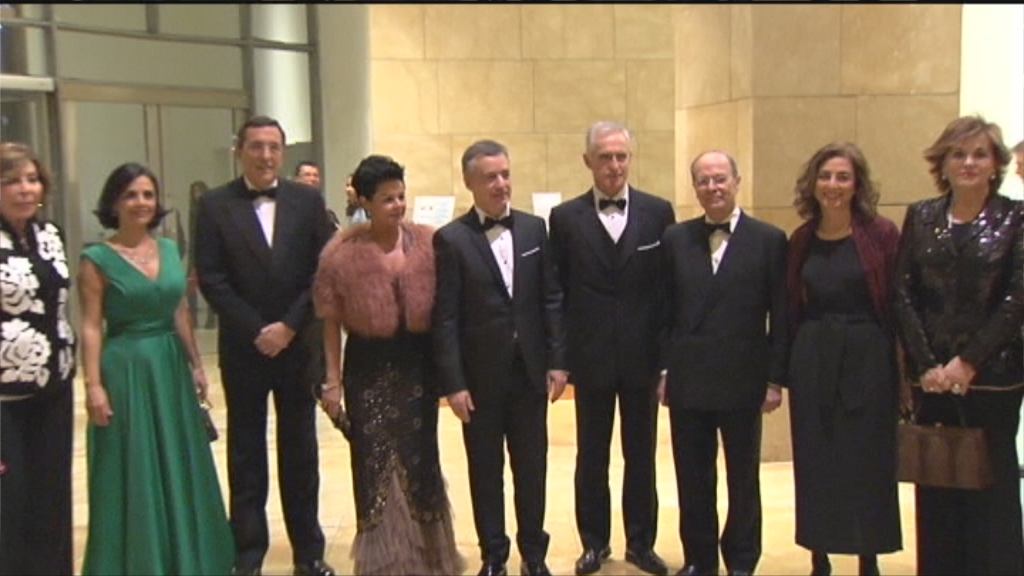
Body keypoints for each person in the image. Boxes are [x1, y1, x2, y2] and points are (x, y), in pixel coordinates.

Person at [194, 116, 337, 576]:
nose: (266, 155)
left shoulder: (307, 201)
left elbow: (322, 270)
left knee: (301, 454)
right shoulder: (213, 205)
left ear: (283, 152)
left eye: (274, 147)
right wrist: (258, 329)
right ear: (239, 151)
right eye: (256, 146)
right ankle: (247, 556)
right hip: (245, 349)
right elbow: (211, 278)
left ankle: (308, 553)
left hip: (296, 349)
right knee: (246, 455)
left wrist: (289, 327)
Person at [77, 162, 234, 574]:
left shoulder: (166, 249)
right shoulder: (96, 259)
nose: (141, 202)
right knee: (135, 464)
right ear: (114, 202)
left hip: (169, 366)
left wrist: (195, 365)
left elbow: (179, 309)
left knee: (178, 460)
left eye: (148, 194)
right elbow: (90, 325)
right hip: (126, 368)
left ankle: (185, 555)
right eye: (130, 194)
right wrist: (93, 385)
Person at [312, 154, 464, 575]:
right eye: (386, 199)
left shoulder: (428, 243)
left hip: (418, 369)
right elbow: (329, 322)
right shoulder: (341, 254)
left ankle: (428, 556)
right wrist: (332, 381)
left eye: (400, 196)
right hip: (368, 370)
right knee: (374, 462)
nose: (397, 206)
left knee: (420, 459)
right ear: (364, 201)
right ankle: (386, 560)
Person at [892, 115, 1024, 575]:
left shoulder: (1016, 218)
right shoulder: (921, 216)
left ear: (995, 165)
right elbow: (902, 292)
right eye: (959, 154)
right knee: (938, 491)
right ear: (942, 163)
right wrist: (928, 364)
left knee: (993, 491)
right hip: (932, 382)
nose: (968, 162)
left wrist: (968, 362)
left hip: (993, 379)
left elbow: (1017, 297)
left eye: (979, 154)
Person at [432, 139, 568, 576]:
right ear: (469, 182)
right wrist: (453, 383)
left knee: (532, 469)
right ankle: (494, 554)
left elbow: (551, 298)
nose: (501, 184)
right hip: (479, 378)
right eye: (490, 177)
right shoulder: (451, 239)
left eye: (505, 174)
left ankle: (534, 553)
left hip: (529, 372)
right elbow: (446, 317)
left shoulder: (534, 229)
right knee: (485, 470)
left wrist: (558, 360)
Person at [547, 121, 674, 576]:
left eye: (621, 156)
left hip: (643, 358)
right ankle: (594, 543)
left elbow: (668, 293)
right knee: (591, 455)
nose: (614, 165)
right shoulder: (565, 218)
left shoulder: (658, 212)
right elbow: (557, 293)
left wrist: (667, 362)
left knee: (641, 455)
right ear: (588, 161)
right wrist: (560, 359)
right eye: (605, 157)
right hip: (591, 357)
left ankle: (641, 543)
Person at [658, 150, 788, 576]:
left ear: (736, 181)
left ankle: (742, 560)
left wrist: (774, 380)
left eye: (720, 179)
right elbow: (663, 311)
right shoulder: (675, 239)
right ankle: (699, 559)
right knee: (693, 477)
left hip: (744, 377)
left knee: (742, 478)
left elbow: (781, 316)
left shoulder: (769, 240)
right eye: (703, 180)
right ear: (694, 187)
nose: (712, 188)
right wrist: (664, 371)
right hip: (689, 377)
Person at [785, 142, 902, 576]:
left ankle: (868, 555)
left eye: (843, 177)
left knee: (867, 460)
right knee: (816, 458)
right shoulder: (802, 239)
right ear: (813, 183)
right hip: (814, 356)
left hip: (868, 358)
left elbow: (898, 301)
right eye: (826, 176)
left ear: (857, 185)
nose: (833, 185)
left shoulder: (881, 234)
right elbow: (790, 306)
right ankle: (819, 554)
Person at [0, 142, 77, 576]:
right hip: (4, 398)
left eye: (32, 179)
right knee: (11, 502)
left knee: (51, 499)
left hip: (54, 387)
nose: (25, 189)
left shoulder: (50, 235)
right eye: (11, 181)